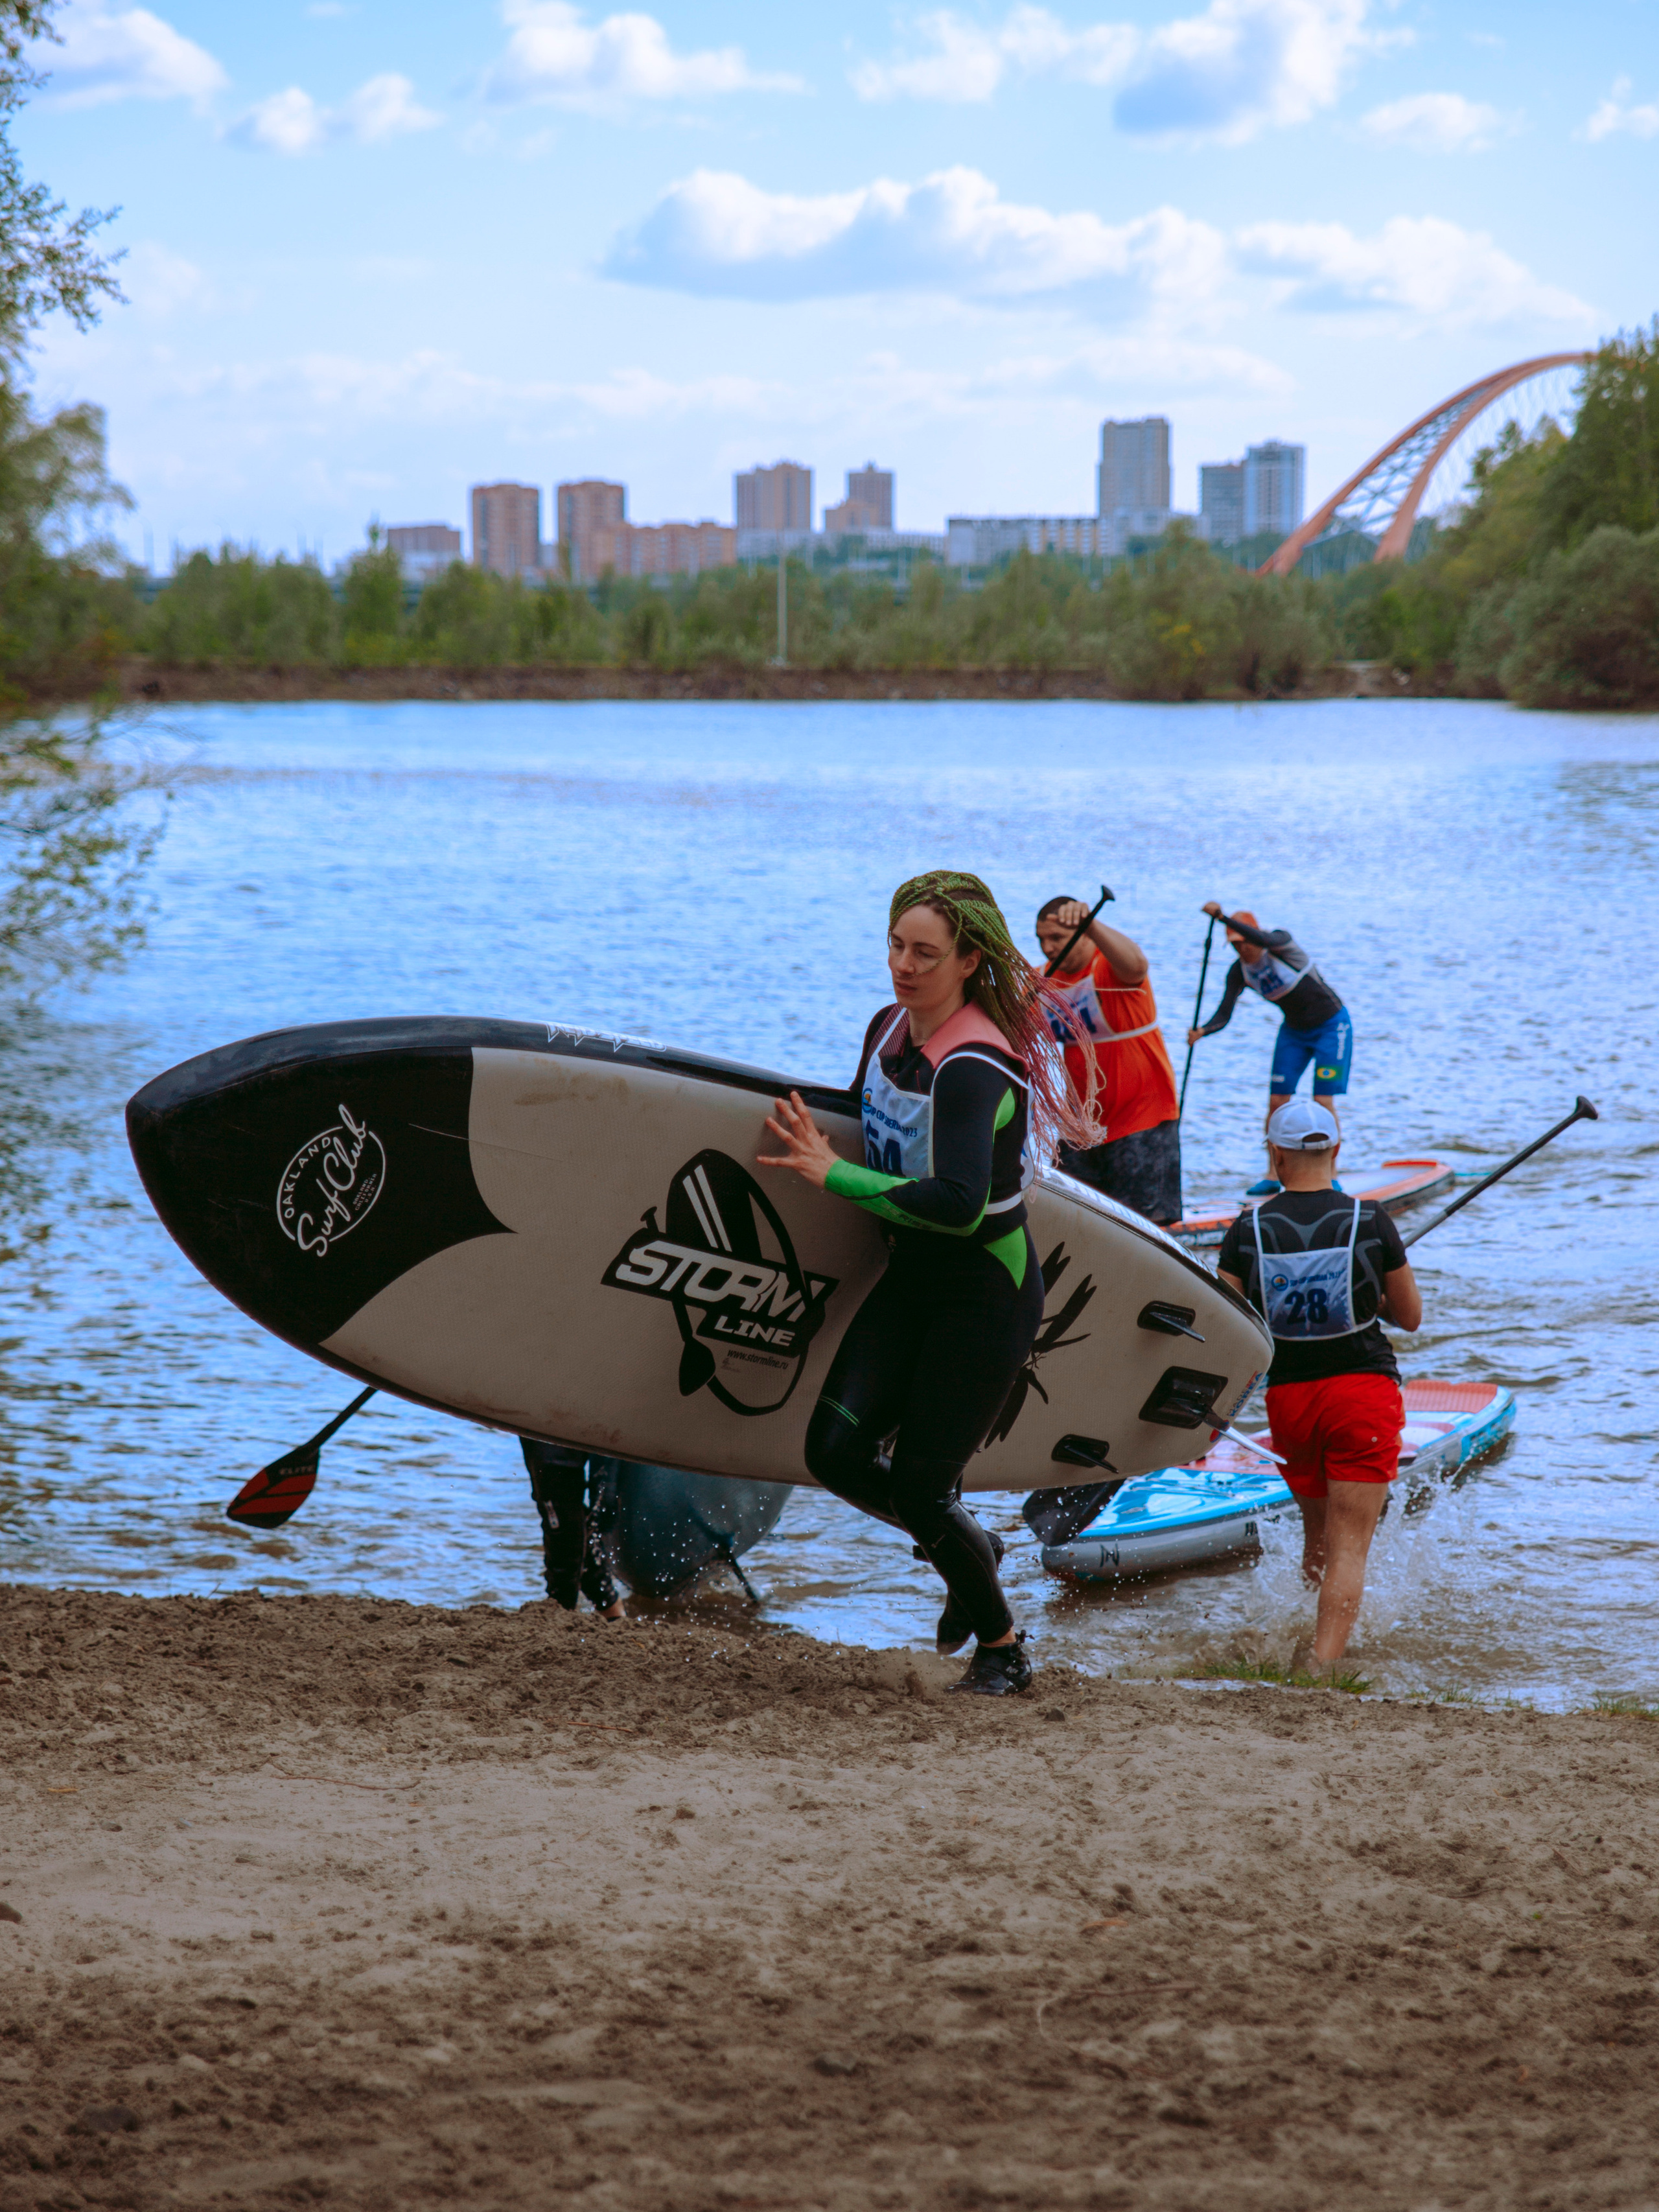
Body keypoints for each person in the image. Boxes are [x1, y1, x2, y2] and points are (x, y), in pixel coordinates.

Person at [757, 869, 1095, 1695]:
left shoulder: (974, 1065)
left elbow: (958, 1201)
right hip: (908, 1281)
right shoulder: (886, 1027)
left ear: (968, 959)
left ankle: (1003, 1650)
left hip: (983, 1295)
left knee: (918, 1484)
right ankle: (972, 1544)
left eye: (925, 953)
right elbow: (861, 1121)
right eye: (895, 946)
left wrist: (833, 1177)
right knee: (832, 1451)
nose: (904, 966)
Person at [1214, 1099, 1421, 1670]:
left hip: (1290, 1402)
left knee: (1320, 1539)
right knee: (1349, 1549)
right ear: (1337, 1150)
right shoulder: (1371, 1221)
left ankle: (1304, 1633)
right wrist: (1373, 1297)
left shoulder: (1246, 1230)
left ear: (1275, 1155)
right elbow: (1409, 1317)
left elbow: (1228, 1327)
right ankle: (1320, 1666)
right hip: (1361, 1394)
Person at [1034, 894, 1182, 1226]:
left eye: (1057, 938)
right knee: (1069, 1220)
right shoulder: (1043, 981)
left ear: (1086, 936)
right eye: (1041, 939)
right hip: (1081, 1125)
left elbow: (1138, 965)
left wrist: (1092, 924)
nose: (1047, 948)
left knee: (1144, 1225)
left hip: (1141, 1115)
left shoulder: (1108, 967)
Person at [1186, 904, 1352, 1167]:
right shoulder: (1239, 972)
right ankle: (1274, 1173)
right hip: (1294, 1032)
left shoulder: (1281, 943)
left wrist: (1222, 918)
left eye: (1244, 942)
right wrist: (1202, 1031)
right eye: (1235, 945)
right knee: (1277, 1103)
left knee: (1322, 1101)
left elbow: (1264, 939)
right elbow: (1224, 1014)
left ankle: (1331, 1174)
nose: (1242, 949)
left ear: (1255, 935)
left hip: (1332, 1026)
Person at [520, 1439, 626, 1618]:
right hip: (552, 1428)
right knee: (559, 1506)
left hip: (611, 1427)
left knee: (602, 1512)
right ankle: (566, 1610)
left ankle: (608, 1610)